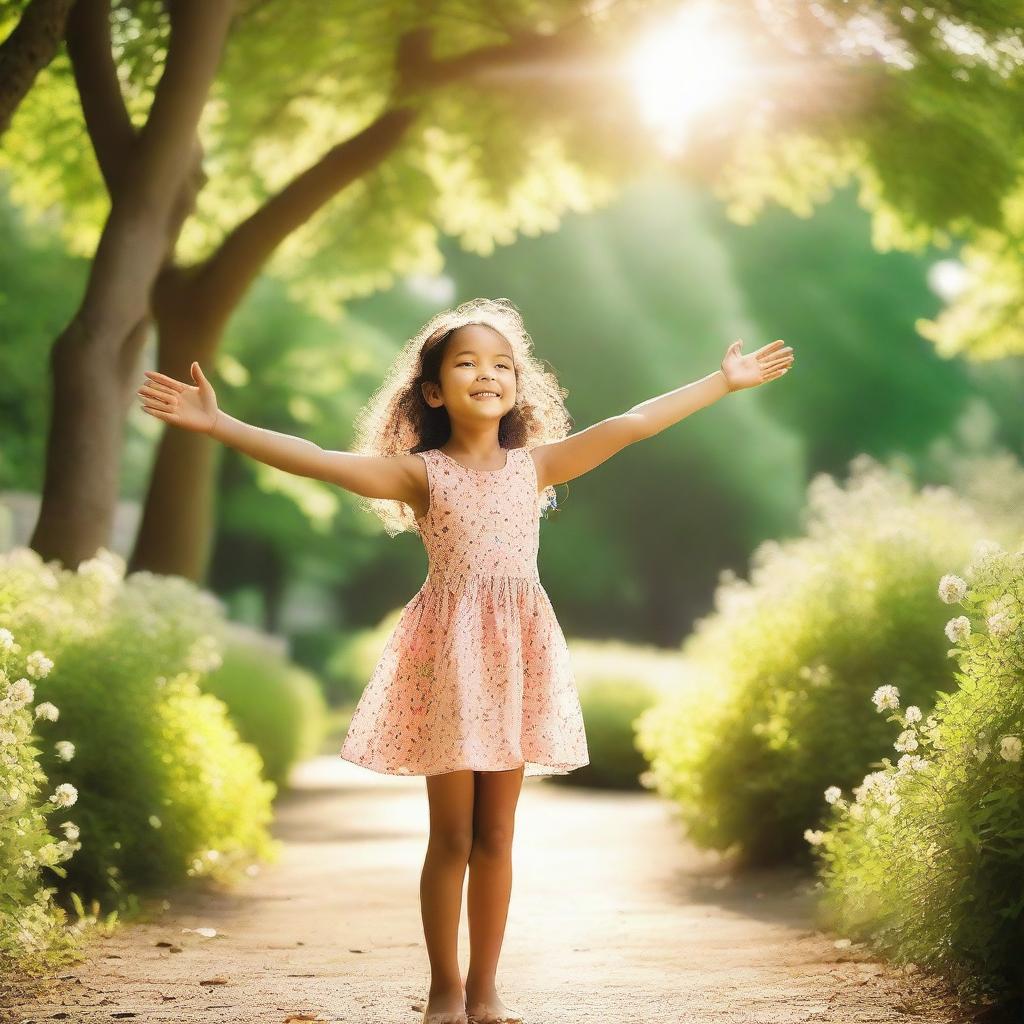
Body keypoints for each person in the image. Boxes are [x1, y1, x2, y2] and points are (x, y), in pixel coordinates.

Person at [136, 296, 795, 1024]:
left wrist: (722, 381)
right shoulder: (421, 475)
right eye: (467, 363)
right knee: (450, 835)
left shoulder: (536, 467)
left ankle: (486, 993)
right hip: (450, 658)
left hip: (516, 656)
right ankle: (443, 991)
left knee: (499, 835)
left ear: (519, 385)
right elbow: (321, 462)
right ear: (431, 390)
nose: (488, 373)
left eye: (502, 364)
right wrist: (219, 424)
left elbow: (633, 424)